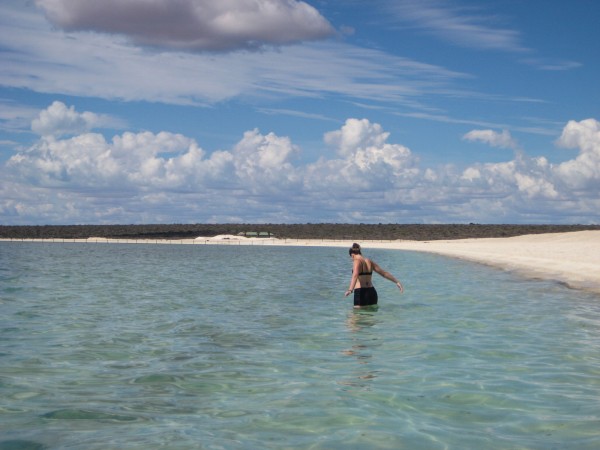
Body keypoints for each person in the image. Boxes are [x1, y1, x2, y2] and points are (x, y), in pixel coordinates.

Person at [344, 243, 403, 308]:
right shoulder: (369, 261)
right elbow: (383, 273)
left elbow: (355, 275)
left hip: (361, 292)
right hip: (372, 292)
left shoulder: (356, 260)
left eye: (351, 258)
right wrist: (397, 281)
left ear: (352, 255)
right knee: (370, 317)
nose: (352, 260)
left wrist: (350, 290)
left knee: (356, 317)